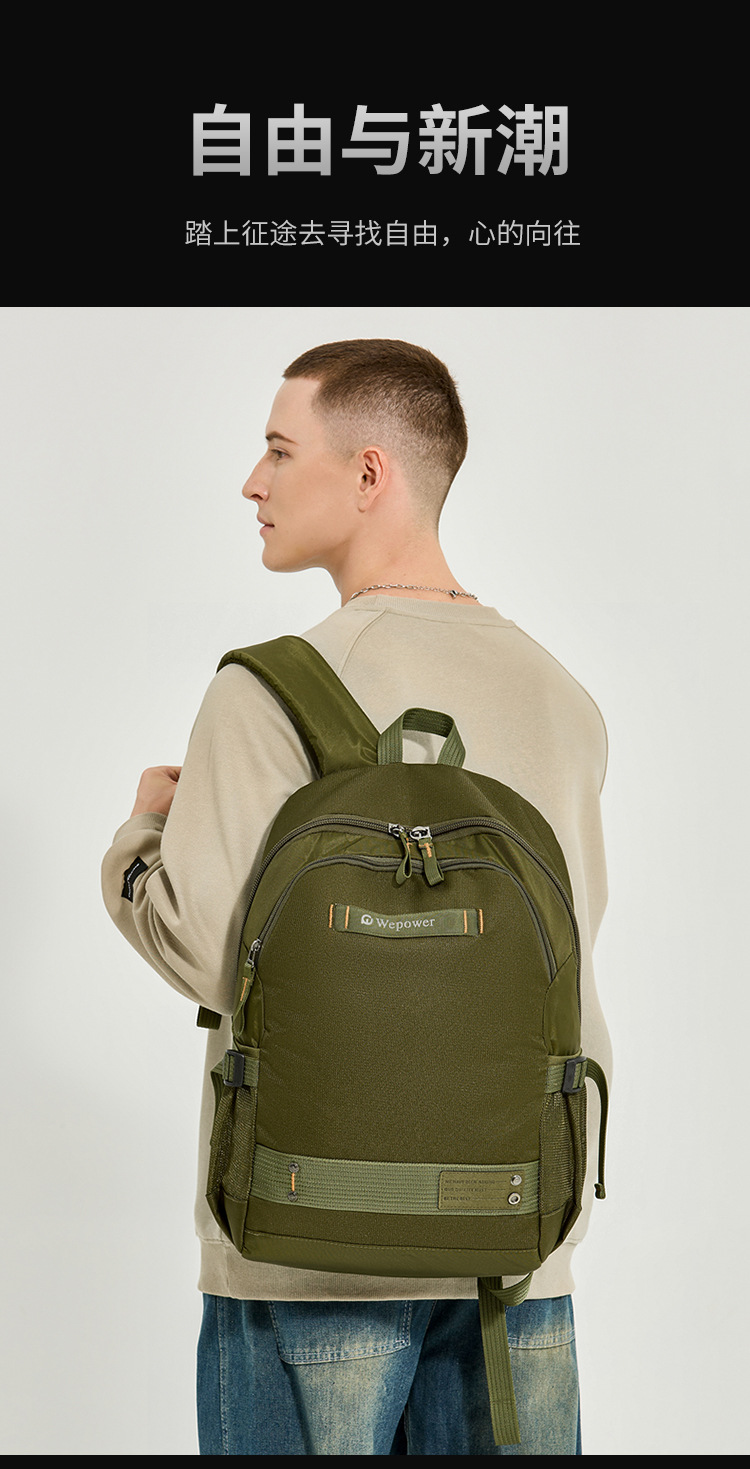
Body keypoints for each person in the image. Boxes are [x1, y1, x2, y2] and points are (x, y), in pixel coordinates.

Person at [101, 338, 612, 1455]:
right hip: (516, 1246)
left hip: (306, 1243)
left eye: (280, 450)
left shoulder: (264, 690)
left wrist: (140, 835)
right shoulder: (562, 697)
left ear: (369, 471)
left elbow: (204, 947)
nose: (253, 482)